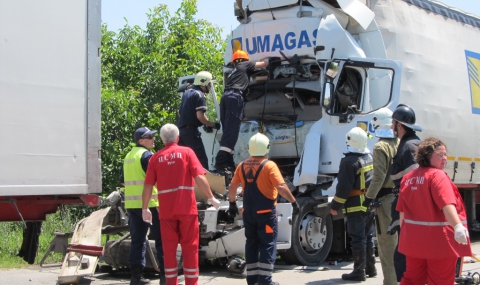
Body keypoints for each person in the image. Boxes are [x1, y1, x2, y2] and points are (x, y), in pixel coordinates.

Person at [141, 123, 221, 285]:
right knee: (190, 247)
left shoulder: (155, 158)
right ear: (178, 137)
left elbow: (148, 185)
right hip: (187, 209)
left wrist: (144, 208)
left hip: (166, 212)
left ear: (162, 139)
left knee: (169, 249)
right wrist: (211, 197)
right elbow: (199, 177)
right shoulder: (187, 153)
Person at [396, 137, 471, 284]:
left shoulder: (408, 178)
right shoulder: (438, 176)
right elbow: (446, 204)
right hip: (439, 244)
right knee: (440, 281)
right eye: (439, 155)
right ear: (427, 156)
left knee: (412, 279)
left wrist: (405, 235)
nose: (444, 158)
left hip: (414, 243)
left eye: (445, 155)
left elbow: (402, 212)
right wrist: (457, 226)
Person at [227, 132, 299, 285]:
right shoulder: (269, 165)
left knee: (251, 243)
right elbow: (280, 186)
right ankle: (265, 281)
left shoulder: (242, 165)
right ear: (267, 147)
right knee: (267, 245)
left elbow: (233, 185)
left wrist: (232, 203)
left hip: (249, 213)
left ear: (249, 148)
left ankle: (252, 279)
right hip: (266, 213)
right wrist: (293, 202)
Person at [330, 127, 374, 282]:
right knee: (367, 236)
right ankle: (371, 268)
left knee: (357, 238)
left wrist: (335, 206)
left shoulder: (349, 161)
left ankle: (359, 271)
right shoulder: (369, 157)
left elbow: (343, 188)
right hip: (369, 203)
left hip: (356, 205)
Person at [122, 127, 165, 285]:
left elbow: (122, 180)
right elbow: (157, 178)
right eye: (149, 137)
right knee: (161, 239)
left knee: (137, 240)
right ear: (141, 140)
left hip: (133, 205)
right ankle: (165, 276)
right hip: (150, 205)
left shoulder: (129, 156)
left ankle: (136, 277)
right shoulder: (147, 155)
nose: (153, 139)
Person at [214, 50, 268, 171]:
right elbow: (264, 64)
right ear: (245, 59)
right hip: (234, 97)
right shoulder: (244, 64)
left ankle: (229, 161)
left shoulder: (234, 71)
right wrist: (269, 60)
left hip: (225, 97)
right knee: (232, 131)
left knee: (228, 130)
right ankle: (221, 161)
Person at [386, 104, 422, 282]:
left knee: (404, 255)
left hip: (409, 209)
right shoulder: (410, 144)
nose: (392, 126)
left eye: (393, 123)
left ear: (399, 125)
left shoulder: (408, 147)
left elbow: (416, 182)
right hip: (408, 207)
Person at [363, 108, 399, 284]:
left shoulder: (380, 146)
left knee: (387, 247)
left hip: (385, 201)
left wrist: (368, 198)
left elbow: (378, 178)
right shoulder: (400, 143)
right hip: (400, 198)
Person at [177, 71, 221, 169]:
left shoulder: (187, 93)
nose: (210, 86)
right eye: (209, 83)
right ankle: (205, 182)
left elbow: (180, 113)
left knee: (185, 160)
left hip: (181, 131)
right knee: (201, 159)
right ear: (204, 83)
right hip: (191, 132)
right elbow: (200, 117)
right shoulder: (199, 95)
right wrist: (212, 125)